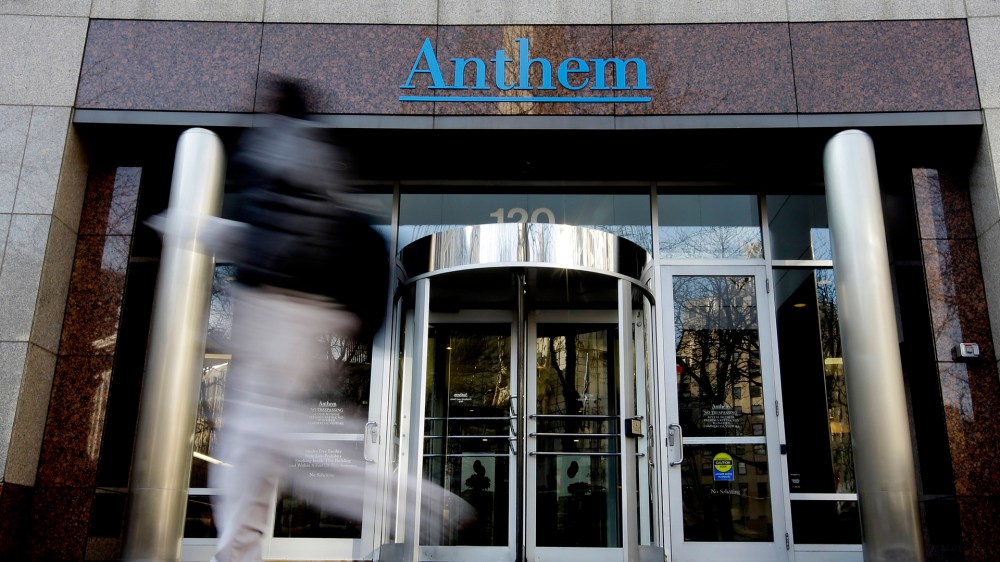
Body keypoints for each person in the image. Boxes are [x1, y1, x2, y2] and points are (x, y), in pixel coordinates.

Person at [153, 79, 470, 562]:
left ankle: (422, 505)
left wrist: (193, 227)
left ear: (278, 108)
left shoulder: (279, 148)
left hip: (278, 315)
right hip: (293, 316)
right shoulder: (310, 156)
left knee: (264, 439)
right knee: (253, 445)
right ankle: (240, 553)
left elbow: (269, 238)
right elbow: (284, 233)